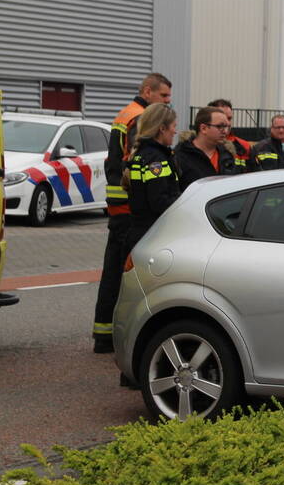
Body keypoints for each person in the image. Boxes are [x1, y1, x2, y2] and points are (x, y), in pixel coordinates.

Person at [92, 73, 172, 353]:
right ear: (148, 92)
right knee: (125, 275)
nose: (166, 102)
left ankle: (103, 333)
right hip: (131, 207)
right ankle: (116, 337)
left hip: (120, 204)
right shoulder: (140, 117)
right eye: (163, 96)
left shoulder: (124, 113)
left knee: (113, 270)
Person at [123, 104, 180, 253]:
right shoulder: (156, 159)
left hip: (140, 232)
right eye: (174, 126)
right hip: (153, 234)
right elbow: (159, 201)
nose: (175, 131)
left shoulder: (142, 153)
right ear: (162, 128)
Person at [175, 106, 238, 192]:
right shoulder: (181, 156)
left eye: (227, 127)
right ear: (203, 128)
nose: (225, 131)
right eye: (220, 126)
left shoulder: (227, 154)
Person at [208, 98, 252, 171]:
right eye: (223, 118)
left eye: (229, 118)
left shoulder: (244, 146)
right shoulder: (200, 146)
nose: (228, 123)